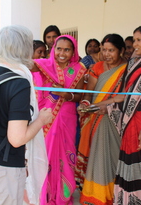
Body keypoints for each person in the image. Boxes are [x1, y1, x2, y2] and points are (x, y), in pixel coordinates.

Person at [0, 25, 53, 205]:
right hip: (2, 170)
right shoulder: (19, 82)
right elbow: (16, 139)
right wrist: (41, 120)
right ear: (23, 48)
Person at [109, 25, 141, 205]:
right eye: (134, 40)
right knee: (128, 160)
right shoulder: (132, 63)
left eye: (139, 40)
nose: (135, 44)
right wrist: (99, 105)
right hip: (129, 120)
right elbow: (124, 95)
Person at [31, 35, 86, 204]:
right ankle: (44, 196)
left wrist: (65, 94)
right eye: (59, 48)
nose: (62, 53)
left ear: (73, 51)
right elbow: (23, 66)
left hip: (67, 117)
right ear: (53, 48)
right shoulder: (43, 65)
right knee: (45, 156)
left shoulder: (79, 69)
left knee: (66, 155)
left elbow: (79, 96)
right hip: (46, 117)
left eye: (67, 49)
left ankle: (62, 197)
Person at [75, 34, 128, 205]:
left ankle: (113, 195)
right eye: (104, 50)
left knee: (112, 157)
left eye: (111, 50)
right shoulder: (97, 67)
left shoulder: (127, 69)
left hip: (115, 121)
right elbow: (89, 94)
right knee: (97, 157)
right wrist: (85, 105)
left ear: (121, 50)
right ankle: (95, 196)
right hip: (94, 120)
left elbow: (124, 97)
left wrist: (104, 105)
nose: (107, 54)